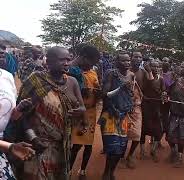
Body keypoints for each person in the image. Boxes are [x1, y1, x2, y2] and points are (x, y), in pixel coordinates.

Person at [15, 47, 86, 180]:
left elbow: (82, 107)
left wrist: (80, 111)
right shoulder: (36, 80)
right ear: (48, 62)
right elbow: (21, 115)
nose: (66, 63)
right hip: (39, 146)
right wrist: (33, 138)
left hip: (63, 144)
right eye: (61, 60)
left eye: (68, 60)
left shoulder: (73, 82)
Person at [99, 52, 134, 180]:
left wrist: (130, 106)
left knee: (121, 149)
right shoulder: (111, 74)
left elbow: (130, 94)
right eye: (124, 61)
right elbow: (104, 94)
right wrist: (120, 88)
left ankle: (111, 171)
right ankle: (106, 172)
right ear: (117, 62)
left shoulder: (131, 75)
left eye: (128, 60)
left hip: (123, 115)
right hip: (110, 115)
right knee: (112, 148)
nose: (127, 62)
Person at [68, 45, 101, 176]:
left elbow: (97, 88)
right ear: (84, 58)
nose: (92, 65)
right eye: (92, 62)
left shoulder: (93, 72)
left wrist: (98, 91)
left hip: (91, 113)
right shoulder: (71, 71)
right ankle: (68, 170)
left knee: (88, 144)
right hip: (77, 114)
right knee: (75, 145)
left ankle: (82, 171)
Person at [0, 57, 36, 180]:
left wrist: (18, 109)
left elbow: (9, 116)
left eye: (2, 52)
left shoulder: (7, 76)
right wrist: (9, 146)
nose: (1, 53)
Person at [124, 51, 153, 169]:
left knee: (137, 134)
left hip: (137, 107)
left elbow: (151, 82)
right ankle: (120, 154)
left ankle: (130, 156)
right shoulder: (124, 71)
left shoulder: (143, 72)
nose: (138, 59)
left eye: (140, 57)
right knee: (123, 132)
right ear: (131, 58)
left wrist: (149, 70)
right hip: (123, 107)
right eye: (135, 56)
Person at [140, 60, 165, 162]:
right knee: (143, 129)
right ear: (149, 67)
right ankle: (142, 151)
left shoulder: (161, 79)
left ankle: (153, 150)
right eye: (153, 66)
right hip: (146, 106)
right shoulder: (145, 78)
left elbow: (163, 91)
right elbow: (142, 89)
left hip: (156, 107)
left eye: (157, 66)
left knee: (158, 129)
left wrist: (164, 94)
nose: (155, 68)